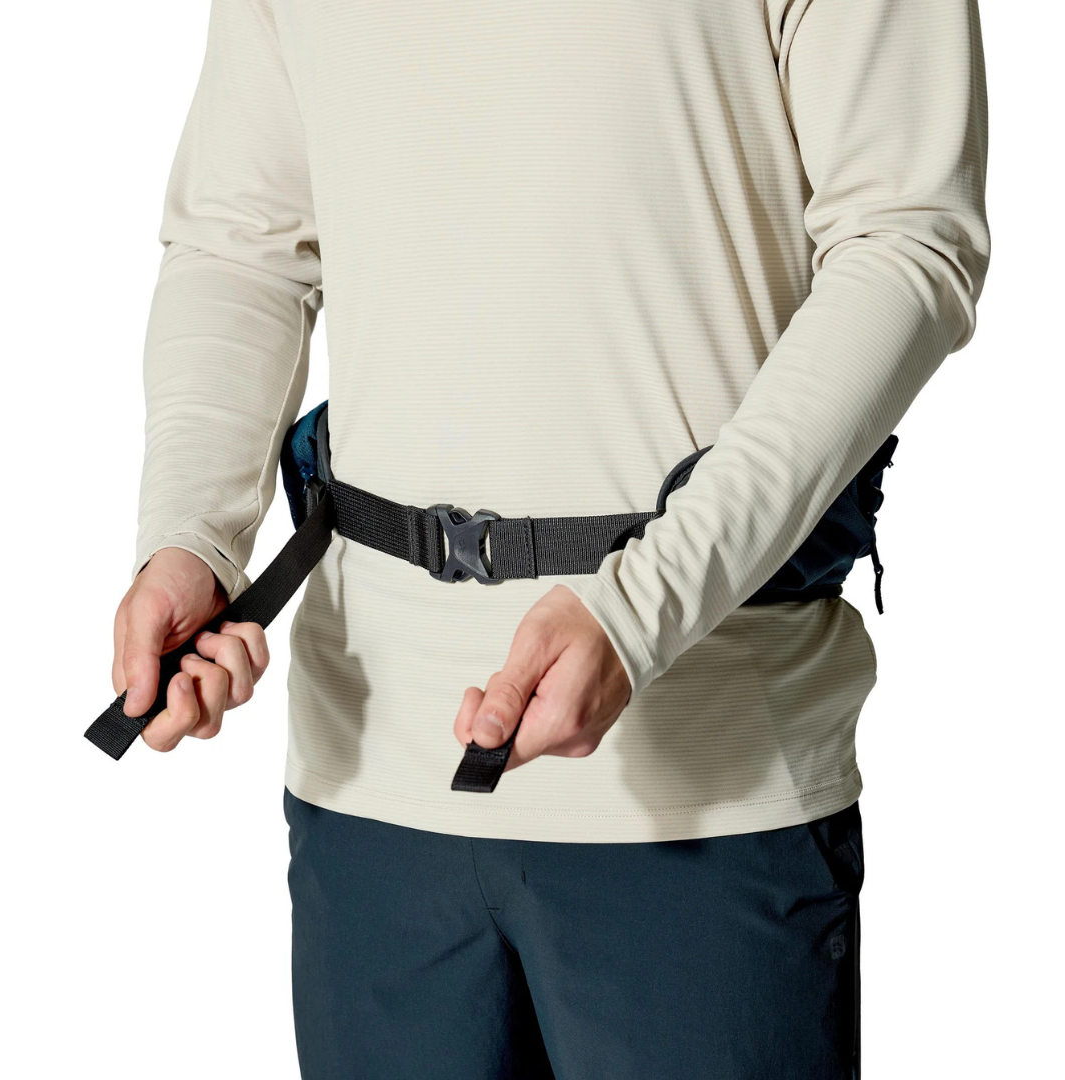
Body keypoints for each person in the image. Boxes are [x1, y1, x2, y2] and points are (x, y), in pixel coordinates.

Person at [110, 1, 989, 1076]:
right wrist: (192, 533)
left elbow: (907, 240)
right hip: (370, 773)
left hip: (703, 790)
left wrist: (640, 608)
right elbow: (241, 244)